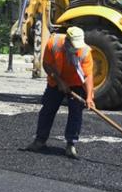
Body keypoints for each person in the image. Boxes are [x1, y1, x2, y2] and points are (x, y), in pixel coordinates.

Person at [26, 26, 95, 159]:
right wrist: (59, 81)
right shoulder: (54, 43)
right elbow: (47, 65)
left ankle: (71, 144)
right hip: (55, 81)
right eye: (73, 45)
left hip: (76, 84)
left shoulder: (85, 51)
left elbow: (87, 76)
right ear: (67, 41)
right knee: (48, 110)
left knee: (76, 112)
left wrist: (89, 96)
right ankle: (40, 140)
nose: (76, 48)